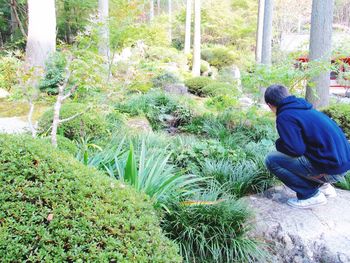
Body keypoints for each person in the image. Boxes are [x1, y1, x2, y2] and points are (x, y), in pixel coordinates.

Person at [264, 84, 350, 208]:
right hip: (342, 165)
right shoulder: (305, 109)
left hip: (332, 170)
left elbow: (295, 150)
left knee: (272, 160)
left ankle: (310, 195)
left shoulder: (285, 116)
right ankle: (324, 186)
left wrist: (278, 143)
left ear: (269, 105)